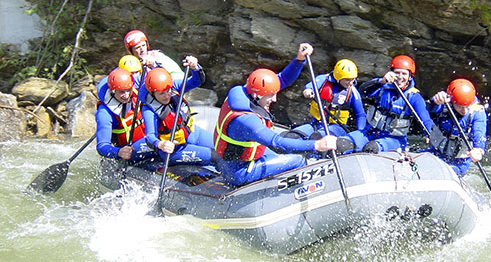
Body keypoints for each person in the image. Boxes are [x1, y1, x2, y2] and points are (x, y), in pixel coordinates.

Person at [213, 43, 338, 187]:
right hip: (240, 172)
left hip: (239, 160)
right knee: (297, 159)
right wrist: (317, 144)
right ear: (256, 95)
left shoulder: (244, 92)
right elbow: (278, 143)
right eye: (271, 96)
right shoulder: (247, 121)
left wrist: (299, 60)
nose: (275, 99)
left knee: (284, 156)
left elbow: (283, 79)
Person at [338, 55, 433, 154]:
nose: (400, 77)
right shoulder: (382, 86)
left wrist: (431, 135)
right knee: (341, 145)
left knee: (371, 148)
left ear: (410, 77)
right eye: (397, 73)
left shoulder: (414, 97)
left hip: (395, 139)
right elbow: (363, 91)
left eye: (404, 74)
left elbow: (426, 120)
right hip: (370, 132)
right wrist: (381, 82)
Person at [139, 57, 219, 168]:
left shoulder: (174, 87)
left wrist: (195, 68)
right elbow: (150, 137)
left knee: (222, 148)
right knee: (216, 156)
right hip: (175, 149)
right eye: (162, 94)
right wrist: (161, 144)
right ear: (152, 93)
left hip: (192, 133)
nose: (167, 96)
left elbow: (197, 81)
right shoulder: (149, 110)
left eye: (168, 91)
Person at [423, 78, 488, 177]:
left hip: (460, 162)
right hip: (436, 153)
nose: (464, 110)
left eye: (467, 106)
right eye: (460, 106)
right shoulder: (444, 105)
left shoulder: (478, 112)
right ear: (452, 101)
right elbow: (425, 111)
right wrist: (434, 101)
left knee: (441, 172)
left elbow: (479, 134)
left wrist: (478, 150)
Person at [287, 59, 366, 139]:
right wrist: (308, 91)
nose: (350, 82)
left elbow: (360, 115)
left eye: (352, 79)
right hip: (316, 123)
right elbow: (311, 86)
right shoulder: (323, 80)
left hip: (337, 128)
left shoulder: (353, 92)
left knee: (316, 138)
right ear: (338, 77)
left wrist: (359, 132)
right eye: (347, 79)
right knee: (292, 136)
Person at [95, 68, 155, 161]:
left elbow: (155, 79)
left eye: (128, 90)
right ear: (112, 91)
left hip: (147, 141)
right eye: (121, 92)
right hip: (127, 151)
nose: (126, 95)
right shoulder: (104, 113)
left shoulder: (136, 86)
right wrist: (118, 152)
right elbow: (102, 146)